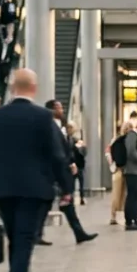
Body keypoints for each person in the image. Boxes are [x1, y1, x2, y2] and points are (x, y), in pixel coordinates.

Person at [0, 69, 73, 272]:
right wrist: (67, 188)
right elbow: (57, 156)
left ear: (12, 88)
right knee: (23, 245)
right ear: (34, 88)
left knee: (16, 244)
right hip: (33, 192)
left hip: (3, 192)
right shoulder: (43, 117)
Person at [40, 100, 96, 245]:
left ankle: (79, 233)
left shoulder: (59, 126)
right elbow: (56, 151)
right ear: (52, 110)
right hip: (54, 171)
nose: (62, 110)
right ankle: (36, 234)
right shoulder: (48, 125)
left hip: (58, 170)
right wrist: (67, 165)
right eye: (59, 108)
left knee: (63, 203)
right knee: (48, 203)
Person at [108, 121, 131, 225]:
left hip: (118, 169)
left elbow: (108, 153)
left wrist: (112, 164)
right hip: (124, 169)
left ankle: (114, 216)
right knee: (123, 194)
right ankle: (118, 216)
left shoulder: (116, 140)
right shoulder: (123, 140)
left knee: (118, 193)